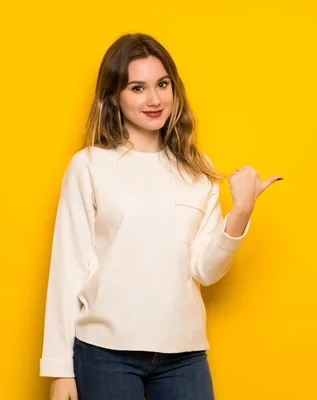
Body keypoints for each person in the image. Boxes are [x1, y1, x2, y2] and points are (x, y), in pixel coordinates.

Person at [39, 33, 282, 400]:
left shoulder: (198, 171)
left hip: (184, 354)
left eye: (162, 84)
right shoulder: (89, 166)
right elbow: (66, 269)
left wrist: (242, 212)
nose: (154, 100)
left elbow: (205, 269)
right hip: (105, 353)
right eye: (138, 88)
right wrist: (59, 370)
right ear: (114, 97)